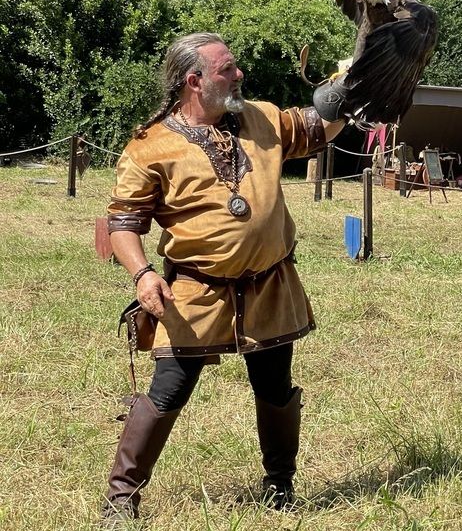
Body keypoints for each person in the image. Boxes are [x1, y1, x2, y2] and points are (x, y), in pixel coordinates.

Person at [101, 32, 345, 527]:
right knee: (169, 388)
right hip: (194, 291)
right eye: (227, 69)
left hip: (269, 284)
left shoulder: (262, 118)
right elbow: (123, 222)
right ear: (194, 81)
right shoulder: (152, 146)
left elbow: (320, 127)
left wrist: (351, 80)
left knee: (275, 387)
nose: (239, 75)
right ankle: (121, 499)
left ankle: (279, 487)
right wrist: (143, 274)